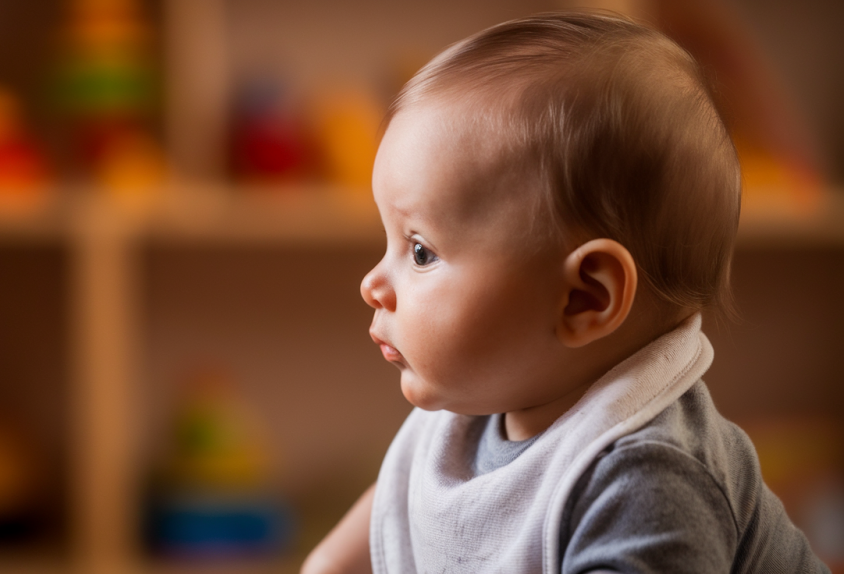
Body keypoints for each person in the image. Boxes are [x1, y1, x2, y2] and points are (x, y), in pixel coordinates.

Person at [302, 11, 828, 574]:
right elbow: (344, 554)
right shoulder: (468, 412)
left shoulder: (644, 476)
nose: (373, 283)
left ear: (585, 299)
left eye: (421, 252)